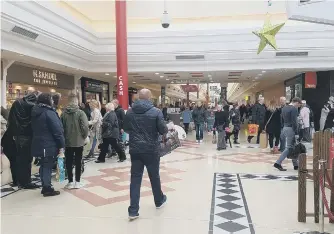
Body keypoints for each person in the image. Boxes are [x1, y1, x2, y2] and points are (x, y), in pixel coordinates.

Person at [124, 89, 168, 220]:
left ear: (138, 97)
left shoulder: (130, 111)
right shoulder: (156, 112)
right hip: (151, 150)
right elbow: (163, 129)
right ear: (149, 98)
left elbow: (126, 128)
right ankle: (159, 200)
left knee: (135, 179)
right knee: (154, 176)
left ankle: (133, 210)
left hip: (135, 150)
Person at [31, 93, 65, 196]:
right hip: (48, 143)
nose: (53, 101)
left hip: (39, 143)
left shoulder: (35, 111)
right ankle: (47, 188)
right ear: (47, 100)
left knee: (43, 165)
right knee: (47, 166)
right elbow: (57, 130)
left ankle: (44, 186)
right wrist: (62, 145)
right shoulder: (49, 112)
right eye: (51, 99)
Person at [7, 91, 40, 189]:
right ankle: (26, 182)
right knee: (27, 160)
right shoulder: (33, 106)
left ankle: (18, 181)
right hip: (28, 136)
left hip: (17, 136)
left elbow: (10, 120)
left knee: (19, 159)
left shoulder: (17, 103)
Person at [61, 94, 89, 189]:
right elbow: (85, 127)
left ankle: (70, 182)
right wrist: (83, 136)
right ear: (76, 102)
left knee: (68, 161)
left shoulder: (63, 114)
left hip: (67, 141)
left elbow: (61, 128)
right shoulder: (81, 113)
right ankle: (77, 181)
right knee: (78, 160)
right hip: (79, 141)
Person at [274, 97, 302, 171]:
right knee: (289, 147)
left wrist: (283, 127)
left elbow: (281, 120)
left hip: (285, 128)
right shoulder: (294, 109)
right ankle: (278, 163)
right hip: (291, 129)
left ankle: (296, 165)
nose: (298, 107)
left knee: (293, 146)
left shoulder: (284, 108)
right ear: (296, 102)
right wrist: (296, 132)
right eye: (299, 105)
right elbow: (294, 121)